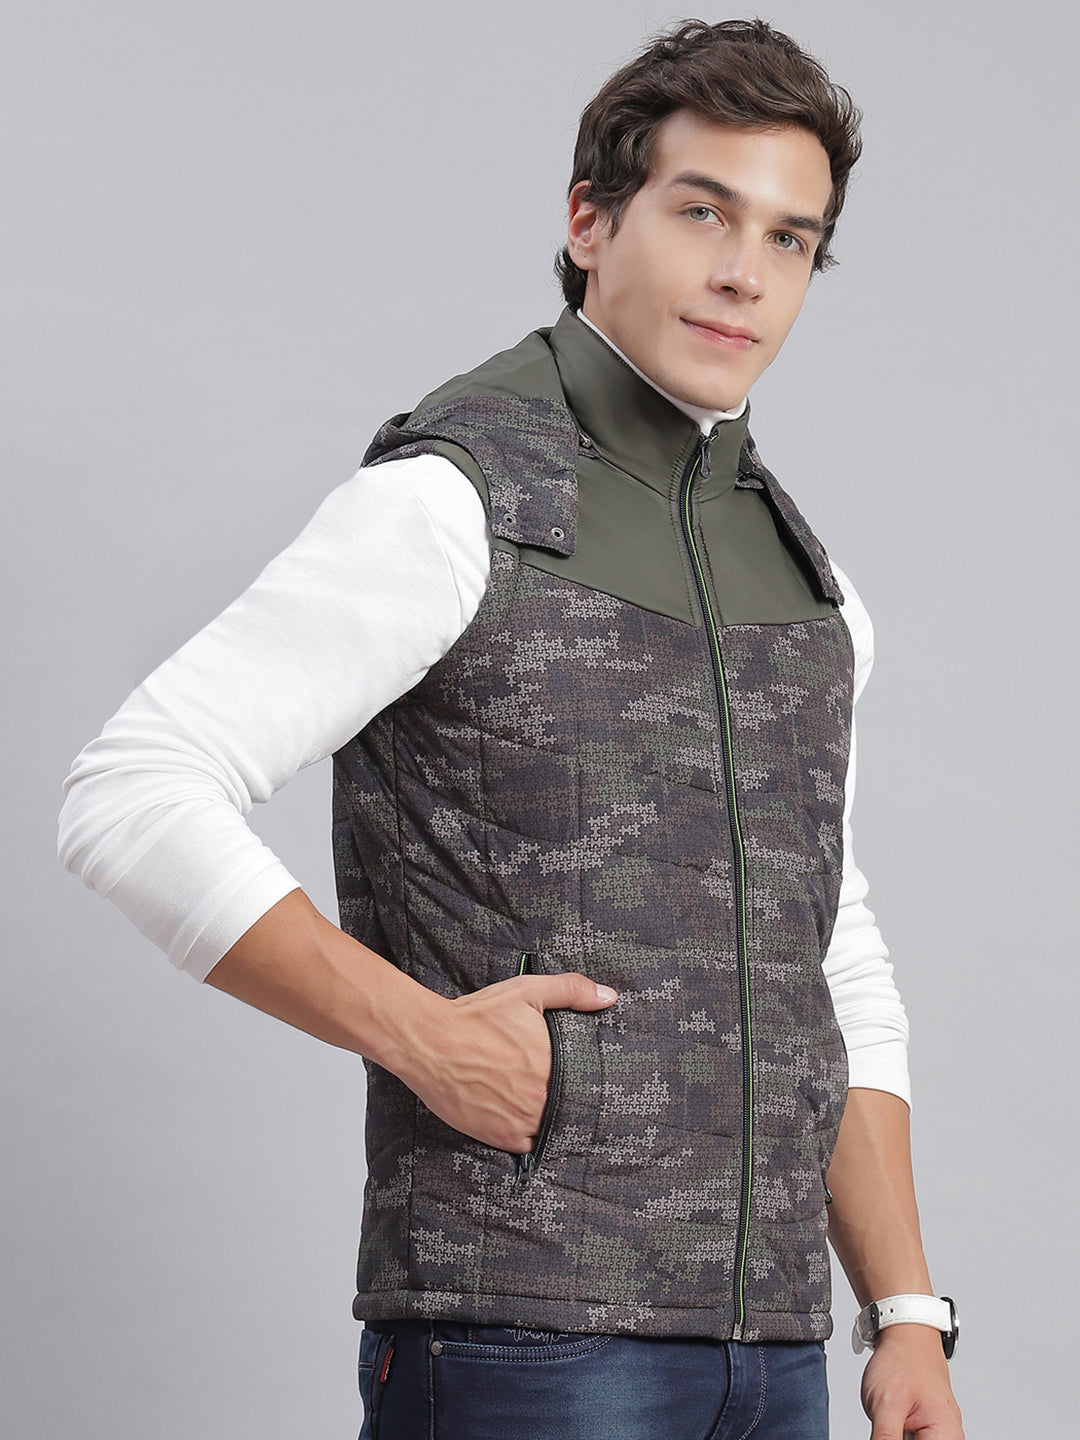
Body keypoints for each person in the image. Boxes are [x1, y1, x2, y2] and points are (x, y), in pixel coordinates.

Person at [58, 18, 965, 1440]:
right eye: (703, 212)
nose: (745, 271)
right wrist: (421, 1036)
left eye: (790, 238)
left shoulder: (816, 591)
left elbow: (827, 945)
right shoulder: (453, 502)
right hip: (526, 1341)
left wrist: (904, 1310)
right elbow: (133, 789)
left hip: (778, 1356)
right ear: (590, 221)